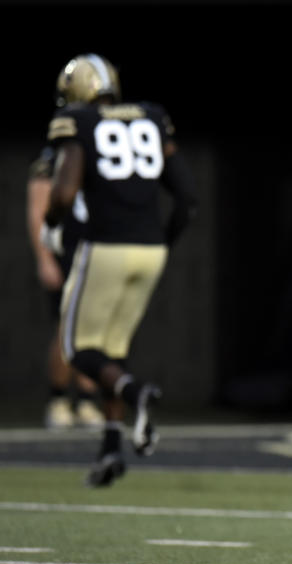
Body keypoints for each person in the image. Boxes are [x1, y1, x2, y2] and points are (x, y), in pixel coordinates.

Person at [39, 53, 197, 487]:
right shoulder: (150, 116)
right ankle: (111, 447)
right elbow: (186, 196)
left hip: (105, 247)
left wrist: (51, 226)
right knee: (112, 349)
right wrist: (163, 241)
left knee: (76, 347)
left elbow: (64, 192)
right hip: (150, 251)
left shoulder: (77, 121)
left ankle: (134, 392)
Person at [26, 144, 105, 431]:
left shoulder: (100, 153)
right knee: (67, 327)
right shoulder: (50, 159)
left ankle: (86, 399)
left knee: (94, 330)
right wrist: (44, 259)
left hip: (96, 251)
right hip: (66, 251)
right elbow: (38, 211)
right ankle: (58, 399)